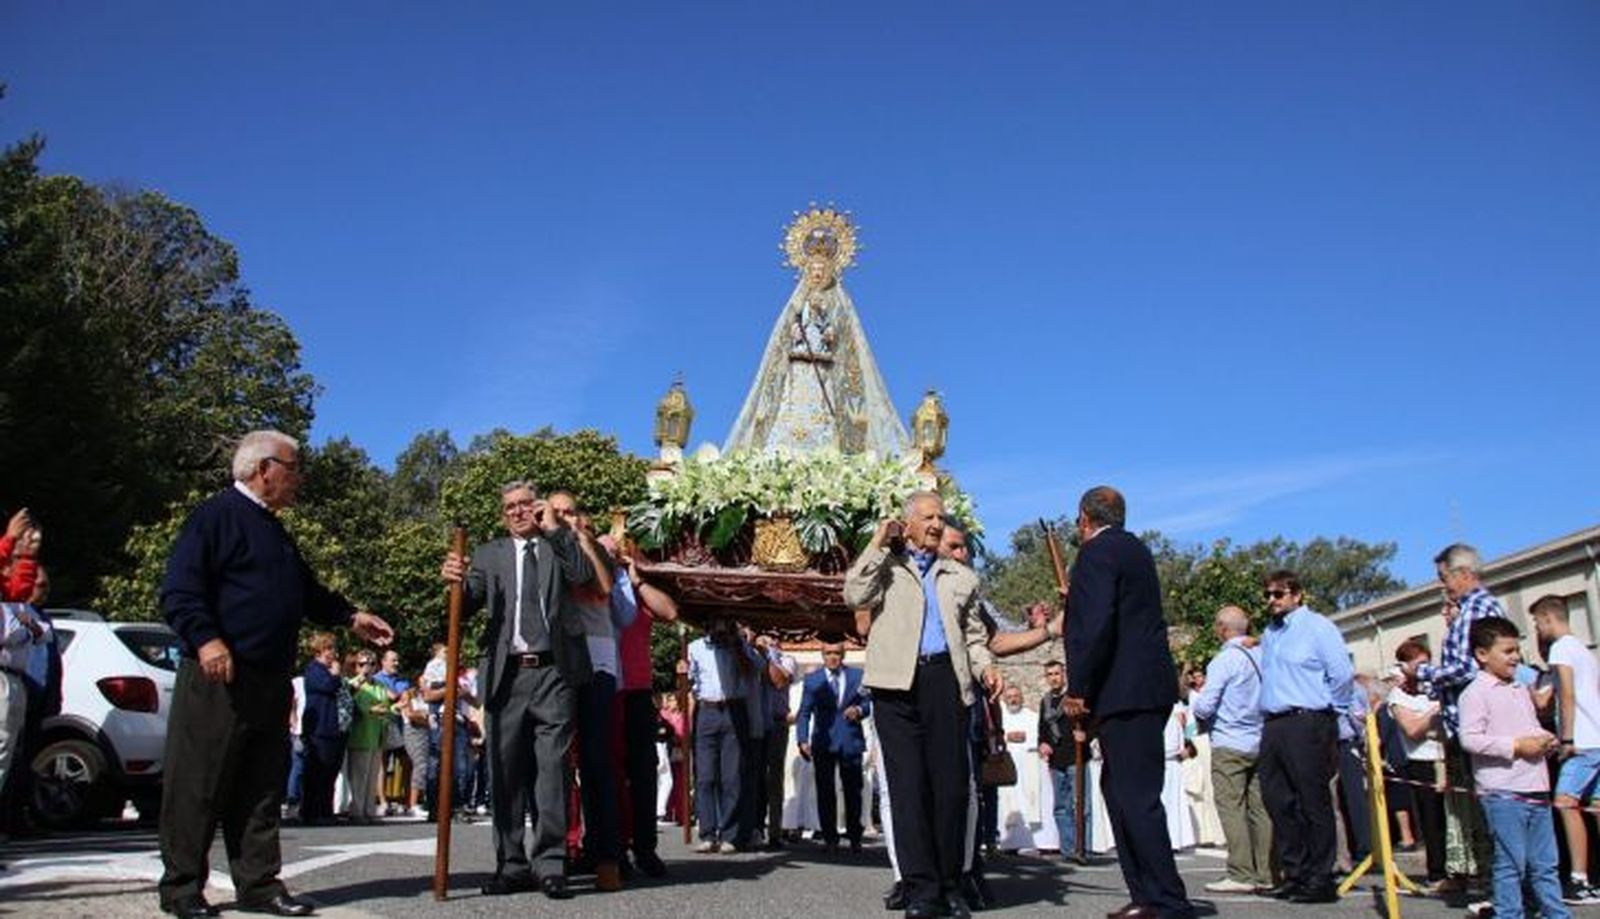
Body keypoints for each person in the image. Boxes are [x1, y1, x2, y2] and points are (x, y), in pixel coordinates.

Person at [158, 430, 393, 918]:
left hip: (269, 678)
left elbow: (306, 591)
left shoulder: (274, 529)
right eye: (293, 468)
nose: (299, 478)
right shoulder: (217, 516)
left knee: (261, 785)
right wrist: (207, 638)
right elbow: (180, 589)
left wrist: (351, 617)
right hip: (220, 674)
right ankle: (182, 888)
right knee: (199, 783)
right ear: (265, 469)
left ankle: (259, 884)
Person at [845, 491, 999, 919]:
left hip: (944, 681)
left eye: (940, 517)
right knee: (908, 789)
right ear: (907, 522)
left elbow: (973, 637)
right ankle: (920, 890)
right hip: (894, 685)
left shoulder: (961, 576)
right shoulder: (886, 568)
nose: (935, 524)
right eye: (928, 517)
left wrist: (985, 669)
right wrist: (878, 541)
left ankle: (950, 885)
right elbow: (853, 594)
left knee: (950, 789)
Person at [440, 481, 595, 900]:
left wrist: (557, 530)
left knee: (552, 770)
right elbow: (468, 601)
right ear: (501, 513)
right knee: (505, 771)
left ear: (538, 506)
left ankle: (551, 864)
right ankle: (511, 865)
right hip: (505, 675)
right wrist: (454, 580)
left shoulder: (555, 545)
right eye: (510, 506)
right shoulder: (490, 554)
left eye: (526, 504)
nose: (518, 511)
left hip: (553, 672)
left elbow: (583, 577)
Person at [1062, 486, 1193, 919]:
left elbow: (1097, 624)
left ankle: (1167, 900)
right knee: (1118, 792)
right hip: (1139, 690)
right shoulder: (1134, 550)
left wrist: (1079, 686)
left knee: (1135, 797)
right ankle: (1146, 894)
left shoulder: (1097, 554)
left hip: (1125, 693)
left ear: (1084, 518)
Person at [1459, 617, 1571, 919]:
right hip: (1503, 793)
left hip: (1536, 787)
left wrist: (1545, 739)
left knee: (1546, 863)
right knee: (1510, 864)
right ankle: (1509, 914)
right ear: (1482, 655)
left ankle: (1556, 913)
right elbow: (1469, 739)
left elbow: (1530, 726)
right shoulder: (1475, 693)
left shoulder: (1520, 688)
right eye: (1507, 651)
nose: (1515, 657)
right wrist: (1516, 746)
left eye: (1517, 650)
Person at [1255, 568, 1354, 905]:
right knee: (1278, 799)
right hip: (1274, 721)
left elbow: (1341, 674)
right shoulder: (1270, 634)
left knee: (1313, 800)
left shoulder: (1318, 627)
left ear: (1297, 595)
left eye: (1278, 594)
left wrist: (1331, 711)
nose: (1272, 601)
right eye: (1267, 595)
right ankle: (1294, 872)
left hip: (1308, 719)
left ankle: (1320, 876)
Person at [546, 493, 623, 891]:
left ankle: (606, 854)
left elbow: (604, 588)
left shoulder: (591, 546)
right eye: (555, 512)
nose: (563, 517)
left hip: (596, 658)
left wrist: (581, 541)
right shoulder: (543, 547)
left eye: (570, 511)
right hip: (557, 658)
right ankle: (557, 854)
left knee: (595, 758)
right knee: (554, 759)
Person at [1417, 543, 1505, 886]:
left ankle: (1505, 889)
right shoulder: (1467, 609)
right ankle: (1496, 884)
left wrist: (1424, 673)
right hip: (1462, 723)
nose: (1443, 586)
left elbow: (1469, 665)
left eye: (1444, 578)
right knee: (1478, 806)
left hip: (1479, 723)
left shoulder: (1479, 608)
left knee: (1492, 807)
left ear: (1464, 574)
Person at [605, 535, 679, 875]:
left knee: (644, 772)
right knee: (607, 773)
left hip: (636, 688)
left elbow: (670, 611)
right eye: (610, 549)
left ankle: (645, 846)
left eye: (621, 550)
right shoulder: (595, 579)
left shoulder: (636, 587)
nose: (617, 554)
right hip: (602, 686)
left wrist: (637, 579)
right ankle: (612, 846)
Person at [1189, 606, 1270, 892]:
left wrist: (1195, 703)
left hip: (1230, 741)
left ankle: (1240, 873)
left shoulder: (1225, 660)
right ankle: (1267, 871)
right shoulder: (1263, 655)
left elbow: (1206, 704)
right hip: (1260, 738)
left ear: (1223, 629)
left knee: (1231, 807)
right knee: (1260, 808)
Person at [1528, 594, 1600, 904]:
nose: (1537, 629)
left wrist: (1567, 738)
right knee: (1595, 806)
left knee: (1565, 803)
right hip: (1596, 736)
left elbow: (1566, 694)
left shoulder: (1560, 649)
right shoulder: (1583, 649)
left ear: (1547, 618)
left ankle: (1579, 878)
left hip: (1582, 739)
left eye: (1537, 623)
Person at [796, 641, 871, 853]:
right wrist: (802, 739)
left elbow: (869, 703)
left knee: (853, 791)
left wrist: (859, 709)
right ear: (822, 655)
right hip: (823, 742)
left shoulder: (857, 676)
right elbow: (804, 712)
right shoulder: (813, 680)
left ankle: (855, 837)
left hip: (850, 740)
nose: (832, 657)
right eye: (828, 653)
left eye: (837, 653)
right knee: (825, 791)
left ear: (843, 654)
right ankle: (830, 838)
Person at [1390, 639, 1447, 886]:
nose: (1425, 670)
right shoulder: (1398, 696)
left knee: (1452, 818)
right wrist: (1434, 714)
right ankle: (1437, 872)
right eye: (1419, 665)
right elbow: (1412, 729)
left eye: (1428, 664)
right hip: (1421, 761)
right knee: (1432, 819)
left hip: (1445, 756)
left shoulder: (1435, 689)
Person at [1038, 659, 1088, 862]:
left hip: (1075, 756)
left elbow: (1089, 721)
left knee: (1080, 805)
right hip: (1056, 758)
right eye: (1049, 674)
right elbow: (1042, 727)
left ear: (1063, 674)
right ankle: (1068, 850)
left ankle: (1082, 847)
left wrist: (1086, 735)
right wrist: (1042, 743)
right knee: (1061, 806)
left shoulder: (1075, 698)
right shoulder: (1046, 701)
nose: (1054, 678)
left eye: (1056, 673)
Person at [299, 633, 349, 826]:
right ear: (320, 650)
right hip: (319, 728)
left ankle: (325, 810)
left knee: (330, 772)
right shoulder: (314, 670)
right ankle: (312, 811)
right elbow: (328, 686)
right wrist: (335, 675)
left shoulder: (328, 670)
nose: (333, 653)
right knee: (317, 771)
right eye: (329, 649)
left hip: (334, 728)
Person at [342, 650, 388, 823]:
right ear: (356, 667)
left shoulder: (380, 686)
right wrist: (371, 710)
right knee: (359, 776)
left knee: (372, 776)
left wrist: (384, 711)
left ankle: (369, 810)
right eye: (362, 664)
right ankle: (356, 811)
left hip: (376, 735)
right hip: (359, 735)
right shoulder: (352, 684)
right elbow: (351, 707)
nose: (366, 668)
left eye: (371, 664)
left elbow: (385, 706)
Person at [996, 684, 1041, 851]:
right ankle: (1004, 840)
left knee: (1026, 801)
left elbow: (1038, 736)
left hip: (1027, 766)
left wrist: (1026, 737)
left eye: (1016, 696)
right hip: (1005, 767)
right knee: (1006, 802)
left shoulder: (1032, 717)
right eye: (1009, 697)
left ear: (1022, 698)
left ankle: (1026, 842)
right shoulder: (1001, 717)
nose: (1013, 700)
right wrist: (1007, 737)